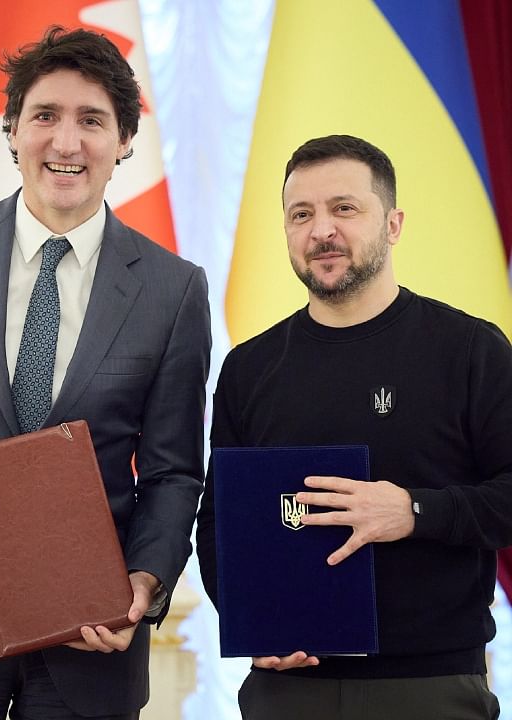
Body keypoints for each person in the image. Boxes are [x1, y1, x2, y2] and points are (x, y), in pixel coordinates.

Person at [0, 25, 211, 719]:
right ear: (10, 131)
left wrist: (144, 584)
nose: (66, 142)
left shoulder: (173, 290)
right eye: (45, 117)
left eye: (92, 121)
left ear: (124, 141)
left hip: (88, 629)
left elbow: (175, 470)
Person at [195, 134, 510, 720]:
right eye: (301, 214)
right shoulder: (250, 368)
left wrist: (414, 512)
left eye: (344, 208)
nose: (321, 231)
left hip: (429, 685)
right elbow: (220, 519)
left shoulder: (470, 350)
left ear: (392, 224)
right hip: (286, 689)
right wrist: (250, 623)